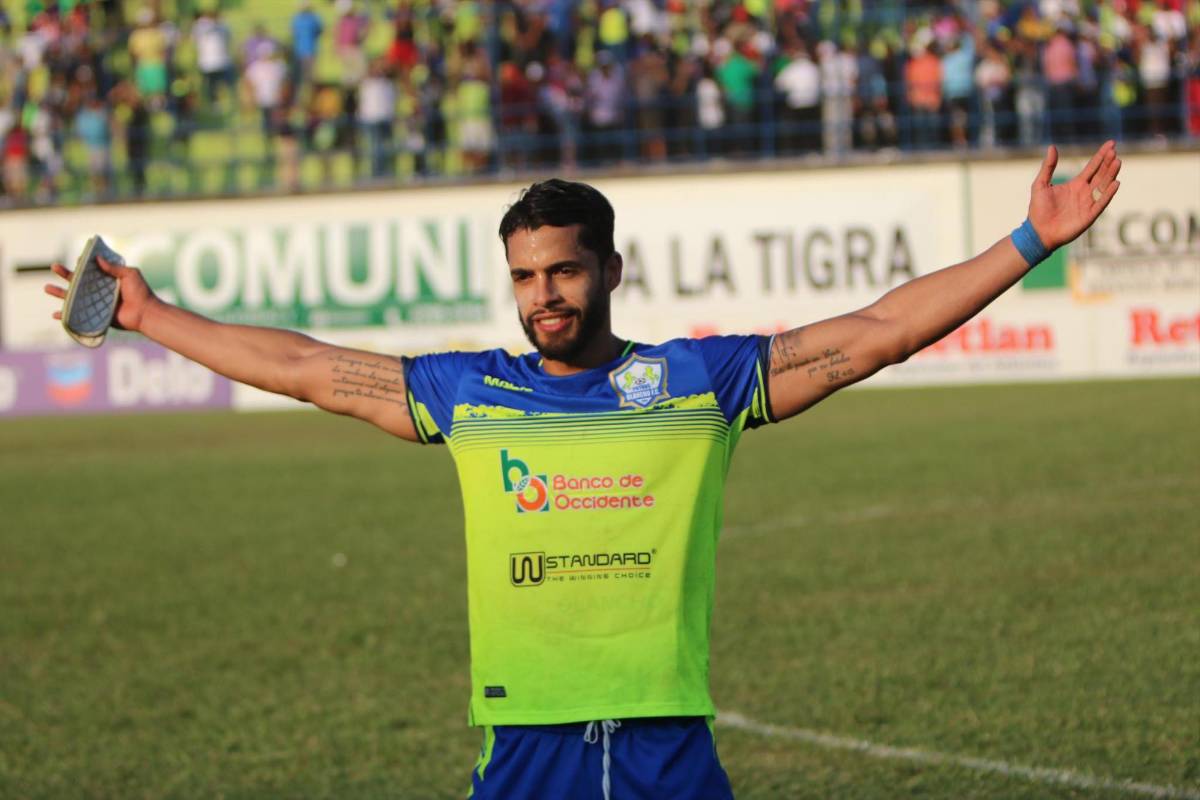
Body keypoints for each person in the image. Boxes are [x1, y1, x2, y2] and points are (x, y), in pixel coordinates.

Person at [44, 143, 1123, 799]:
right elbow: (306, 368)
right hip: (526, 746)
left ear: (610, 268)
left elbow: (877, 332)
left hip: (666, 744)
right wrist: (150, 313)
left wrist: (1029, 241)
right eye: (524, 277)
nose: (543, 295)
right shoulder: (471, 393)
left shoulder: (696, 383)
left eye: (562, 270)